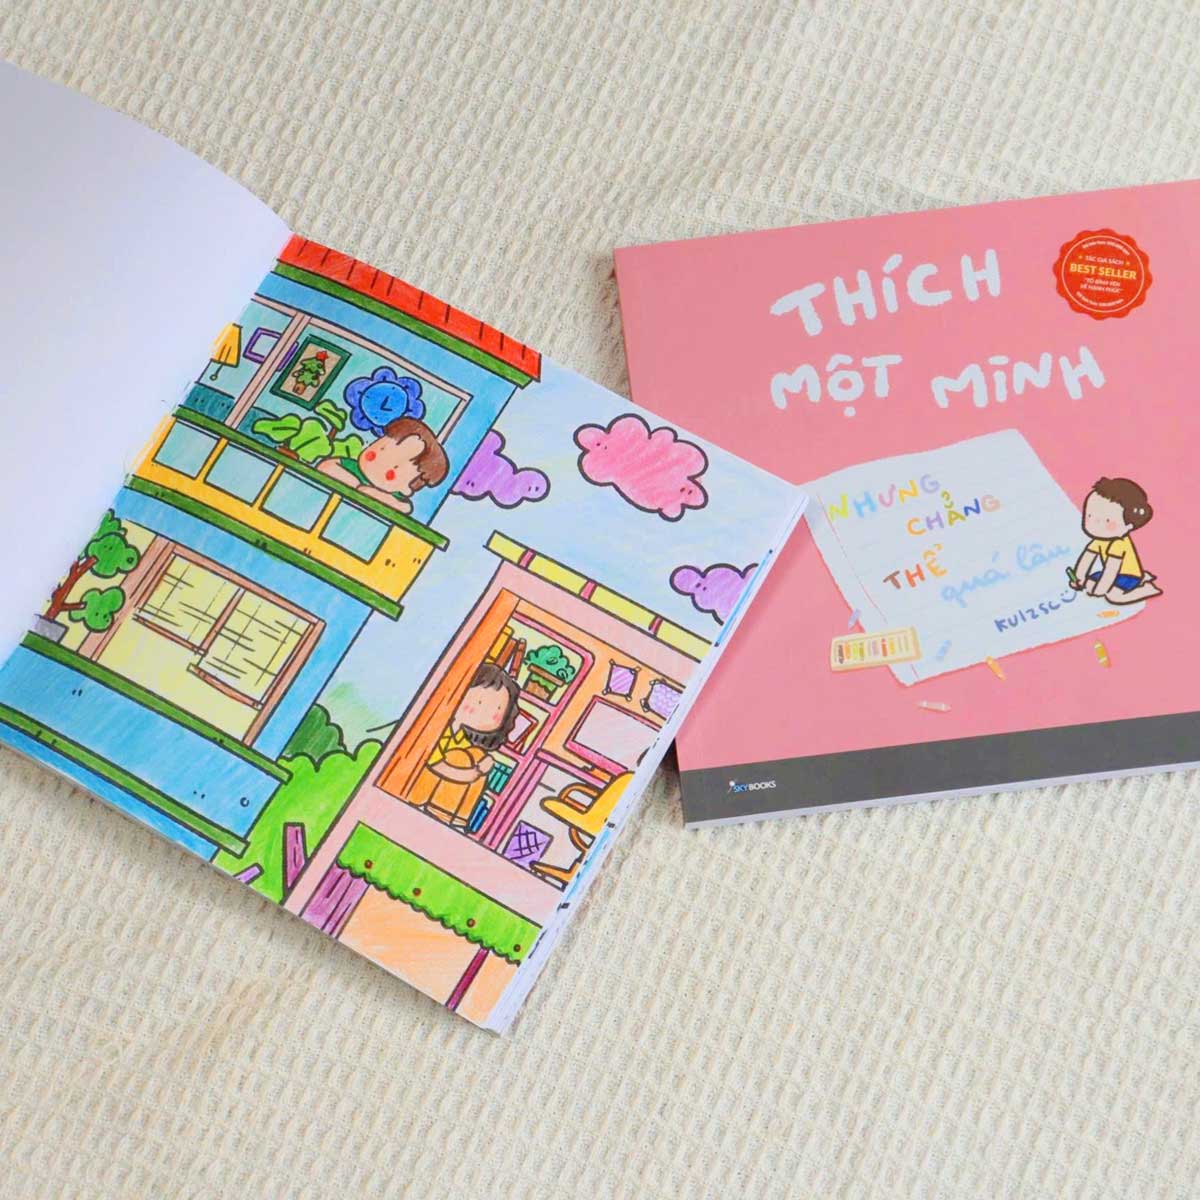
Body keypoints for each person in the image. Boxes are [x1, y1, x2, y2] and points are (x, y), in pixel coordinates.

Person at [408, 663, 522, 828]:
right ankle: (441, 813)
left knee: (475, 755)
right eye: (480, 702)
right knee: (462, 758)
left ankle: (455, 818)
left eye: (497, 709)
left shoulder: (463, 740)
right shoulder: (438, 729)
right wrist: (476, 771)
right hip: (416, 792)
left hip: (445, 800)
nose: (485, 712)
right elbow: (437, 765)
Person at [318, 417, 448, 514]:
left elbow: (404, 508)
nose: (375, 466)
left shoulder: (397, 499)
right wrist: (355, 485)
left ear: (406, 489)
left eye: (391, 473)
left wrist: (372, 494)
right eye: (375, 453)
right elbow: (326, 467)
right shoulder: (351, 468)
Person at [1070, 476, 1162, 605]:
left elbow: (1111, 569)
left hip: (1128, 575)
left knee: (1113, 596)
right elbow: (1086, 559)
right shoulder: (1099, 541)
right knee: (1089, 585)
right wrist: (1078, 578)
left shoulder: (1119, 543)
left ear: (1128, 526)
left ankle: (1147, 589)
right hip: (1113, 575)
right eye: (1089, 516)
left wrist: (1101, 589)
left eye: (1107, 521)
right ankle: (1143, 578)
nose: (1095, 524)